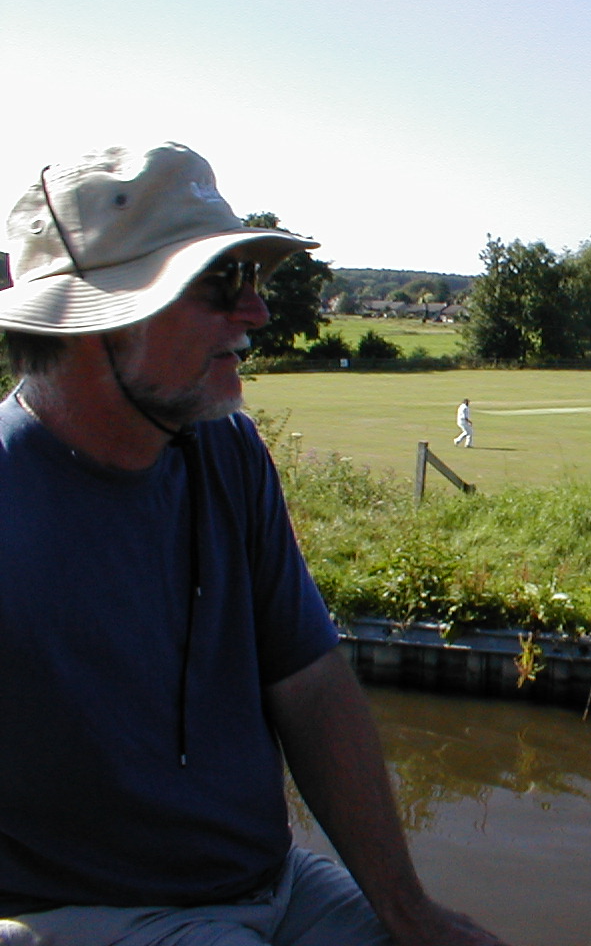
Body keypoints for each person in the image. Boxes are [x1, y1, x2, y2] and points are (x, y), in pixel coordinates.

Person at [0, 143, 508, 946]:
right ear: (94, 324)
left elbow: (308, 683)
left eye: (253, 281)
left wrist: (408, 908)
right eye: (216, 286)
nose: (257, 315)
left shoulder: (227, 452)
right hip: (95, 913)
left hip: (273, 881)